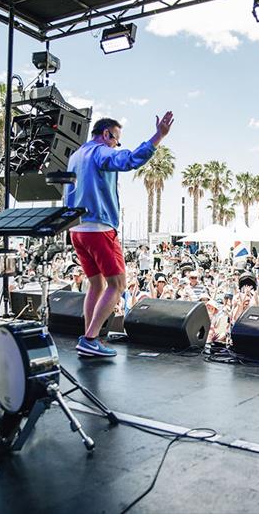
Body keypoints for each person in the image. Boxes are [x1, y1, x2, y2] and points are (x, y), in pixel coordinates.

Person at [64, 112, 174, 357]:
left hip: (76, 229)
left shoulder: (76, 155)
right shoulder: (100, 151)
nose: (115, 145)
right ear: (106, 134)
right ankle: (90, 338)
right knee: (117, 284)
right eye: (115, 140)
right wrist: (159, 136)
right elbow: (129, 160)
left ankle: (88, 337)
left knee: (96, 284)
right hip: (99, 228)